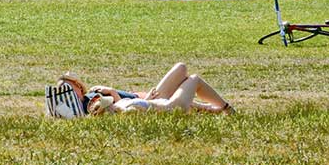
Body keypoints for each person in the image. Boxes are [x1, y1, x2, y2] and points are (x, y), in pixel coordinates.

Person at [62, 63, 232, 114]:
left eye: (71, 85)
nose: (70, 90)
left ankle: (211, 108)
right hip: (148, 102)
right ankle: (224, 108)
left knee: (182, 69)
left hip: (146, 100)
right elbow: (122, 109)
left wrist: (112, 92)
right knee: (191, 80)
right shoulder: (86, 106)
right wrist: (112, 92)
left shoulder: (93, 95)